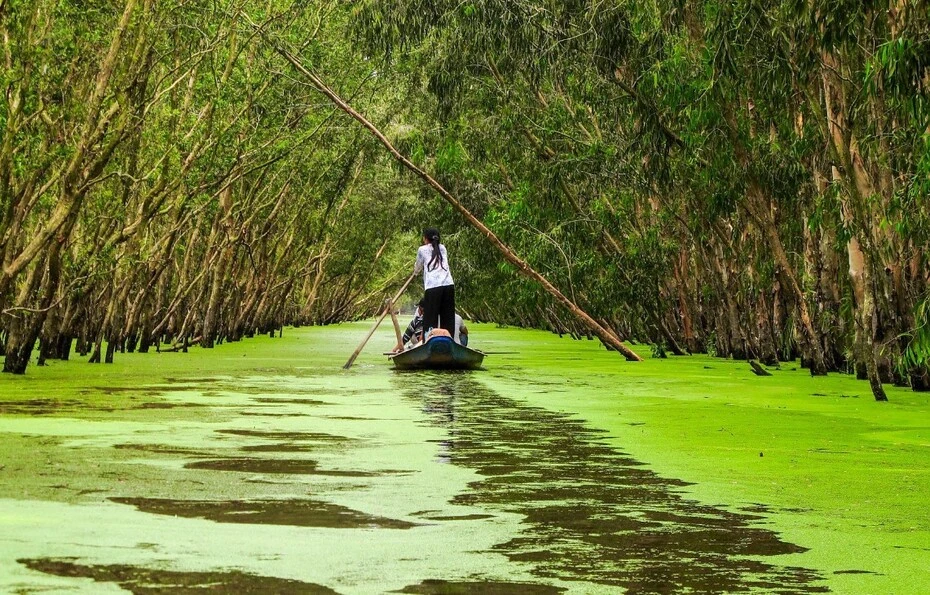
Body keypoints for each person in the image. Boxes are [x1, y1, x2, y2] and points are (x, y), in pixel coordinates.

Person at [414, 227, 455, 337]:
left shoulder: (422, 250)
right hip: (448, 285)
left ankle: (428, 339)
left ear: (426, 239)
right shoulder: (443, 248)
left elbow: (417, 267)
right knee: (448, 318)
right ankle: (448, 338)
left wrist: (415, 273)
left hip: (433, 287)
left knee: (430, 318)